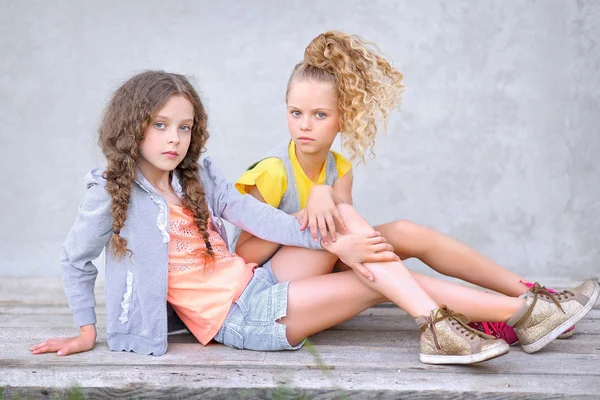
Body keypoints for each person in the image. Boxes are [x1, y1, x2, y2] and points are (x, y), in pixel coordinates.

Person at [30, 70, 598, 366]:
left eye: (183, 126)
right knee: (370, 283)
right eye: (160, 125)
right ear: (133, 126)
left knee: (348, 223)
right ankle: (519, 310)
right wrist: (87, 331)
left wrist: (329, 233)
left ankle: (493, 316)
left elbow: (261, 218)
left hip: (256, 284)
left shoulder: (198, 177)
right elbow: (74, 258)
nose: (174, 139)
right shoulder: (110, 193)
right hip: (238, 321)